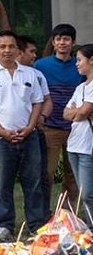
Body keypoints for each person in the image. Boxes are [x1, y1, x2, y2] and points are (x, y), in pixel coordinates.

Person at [0, 30, 46, 243]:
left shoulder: (30, 74)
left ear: (18, 50)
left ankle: (36, 226)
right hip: (1, 139)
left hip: (30, 136)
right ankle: (4, 226)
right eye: (2, 46)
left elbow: (37, 103)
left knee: (33, 183)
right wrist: (2, 131)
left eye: (11, 46)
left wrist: (29, 127)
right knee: (3, 184)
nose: (7, 50)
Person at [34, 24, 81, 211]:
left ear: (73, 42)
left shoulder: (80, 64)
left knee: (73, 173)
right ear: (53, 42)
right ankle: (44, 212)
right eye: (58, 39)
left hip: (76, 127)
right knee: (48, 172)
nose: (62, 42)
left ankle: (68, 214)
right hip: (50, 127)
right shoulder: (41, 66)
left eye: (66, 39)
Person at [16, 34, 54, 218]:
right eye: (31, 51)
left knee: (39, 176)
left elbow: (46, 101)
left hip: (35, 133)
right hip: (7, 134)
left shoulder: (37, 75)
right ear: (19, 52)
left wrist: (42, 116)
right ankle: (5, 224)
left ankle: (42, 215)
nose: (34, 55)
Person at [63, 44, 93, 227]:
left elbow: (82, 113)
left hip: (88, 146)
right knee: (84, 192)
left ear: (92, 60)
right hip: (74, 144)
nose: (77, 64)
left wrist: (78, 112)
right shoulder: (81, 86)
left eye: (80, 60)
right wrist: (78, 112)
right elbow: (65, 113)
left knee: (88, 192)